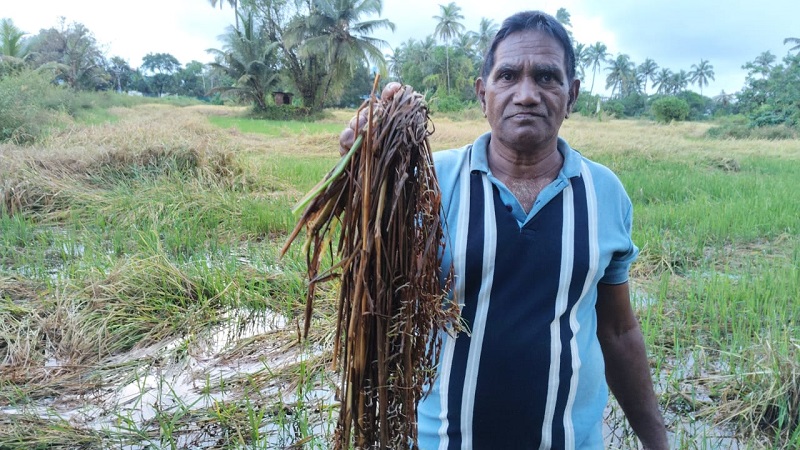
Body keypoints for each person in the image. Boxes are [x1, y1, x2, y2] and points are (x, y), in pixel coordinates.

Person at [340, 10, 668, 450]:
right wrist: (364, 174)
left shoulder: (604, 193)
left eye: (547, 78)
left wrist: (658, 443)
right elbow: (374, 286)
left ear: (571, 95)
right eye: (508, 75)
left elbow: (618, 331)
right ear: (483, 93)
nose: (527, 94)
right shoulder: (428, 183)